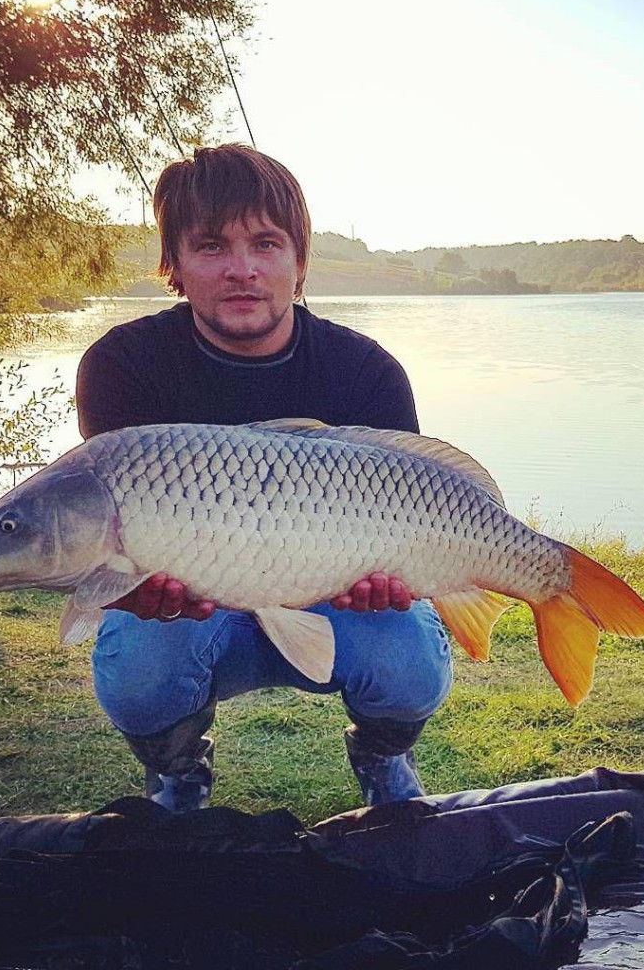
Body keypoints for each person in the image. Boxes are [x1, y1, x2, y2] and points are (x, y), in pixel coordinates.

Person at [76, 144, 453, 813]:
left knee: (408, 660)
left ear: (300, 265)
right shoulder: (121, 365)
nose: (242, 270)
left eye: (268, 244)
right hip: (194, 610)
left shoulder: (368, 372)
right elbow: (108, 540)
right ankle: (178, 766)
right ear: (176, 266)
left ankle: (383, 751)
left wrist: (392, 585)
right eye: (212, 246)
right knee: (140, 669)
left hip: (335, 600)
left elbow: (417, 519)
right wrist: (129, 587)